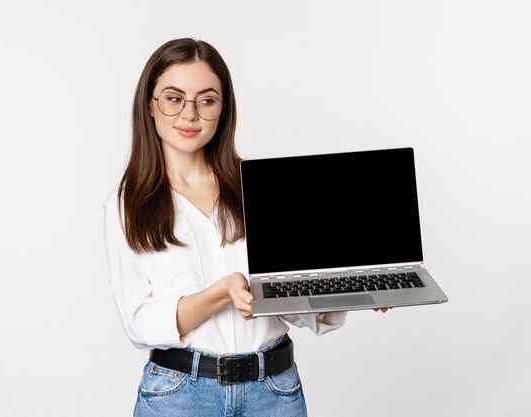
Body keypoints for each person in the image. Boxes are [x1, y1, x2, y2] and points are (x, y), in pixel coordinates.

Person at [103, 37, 389, 417]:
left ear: (223, 110)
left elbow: (292, 305)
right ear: (149, 106)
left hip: (273, 391)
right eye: (173, 98)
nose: (189, 115)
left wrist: (355, 290)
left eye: (206, 100)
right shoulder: (126, 205)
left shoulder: (260, 191)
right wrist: (220, 294)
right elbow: (140, 324)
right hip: (179, 396)